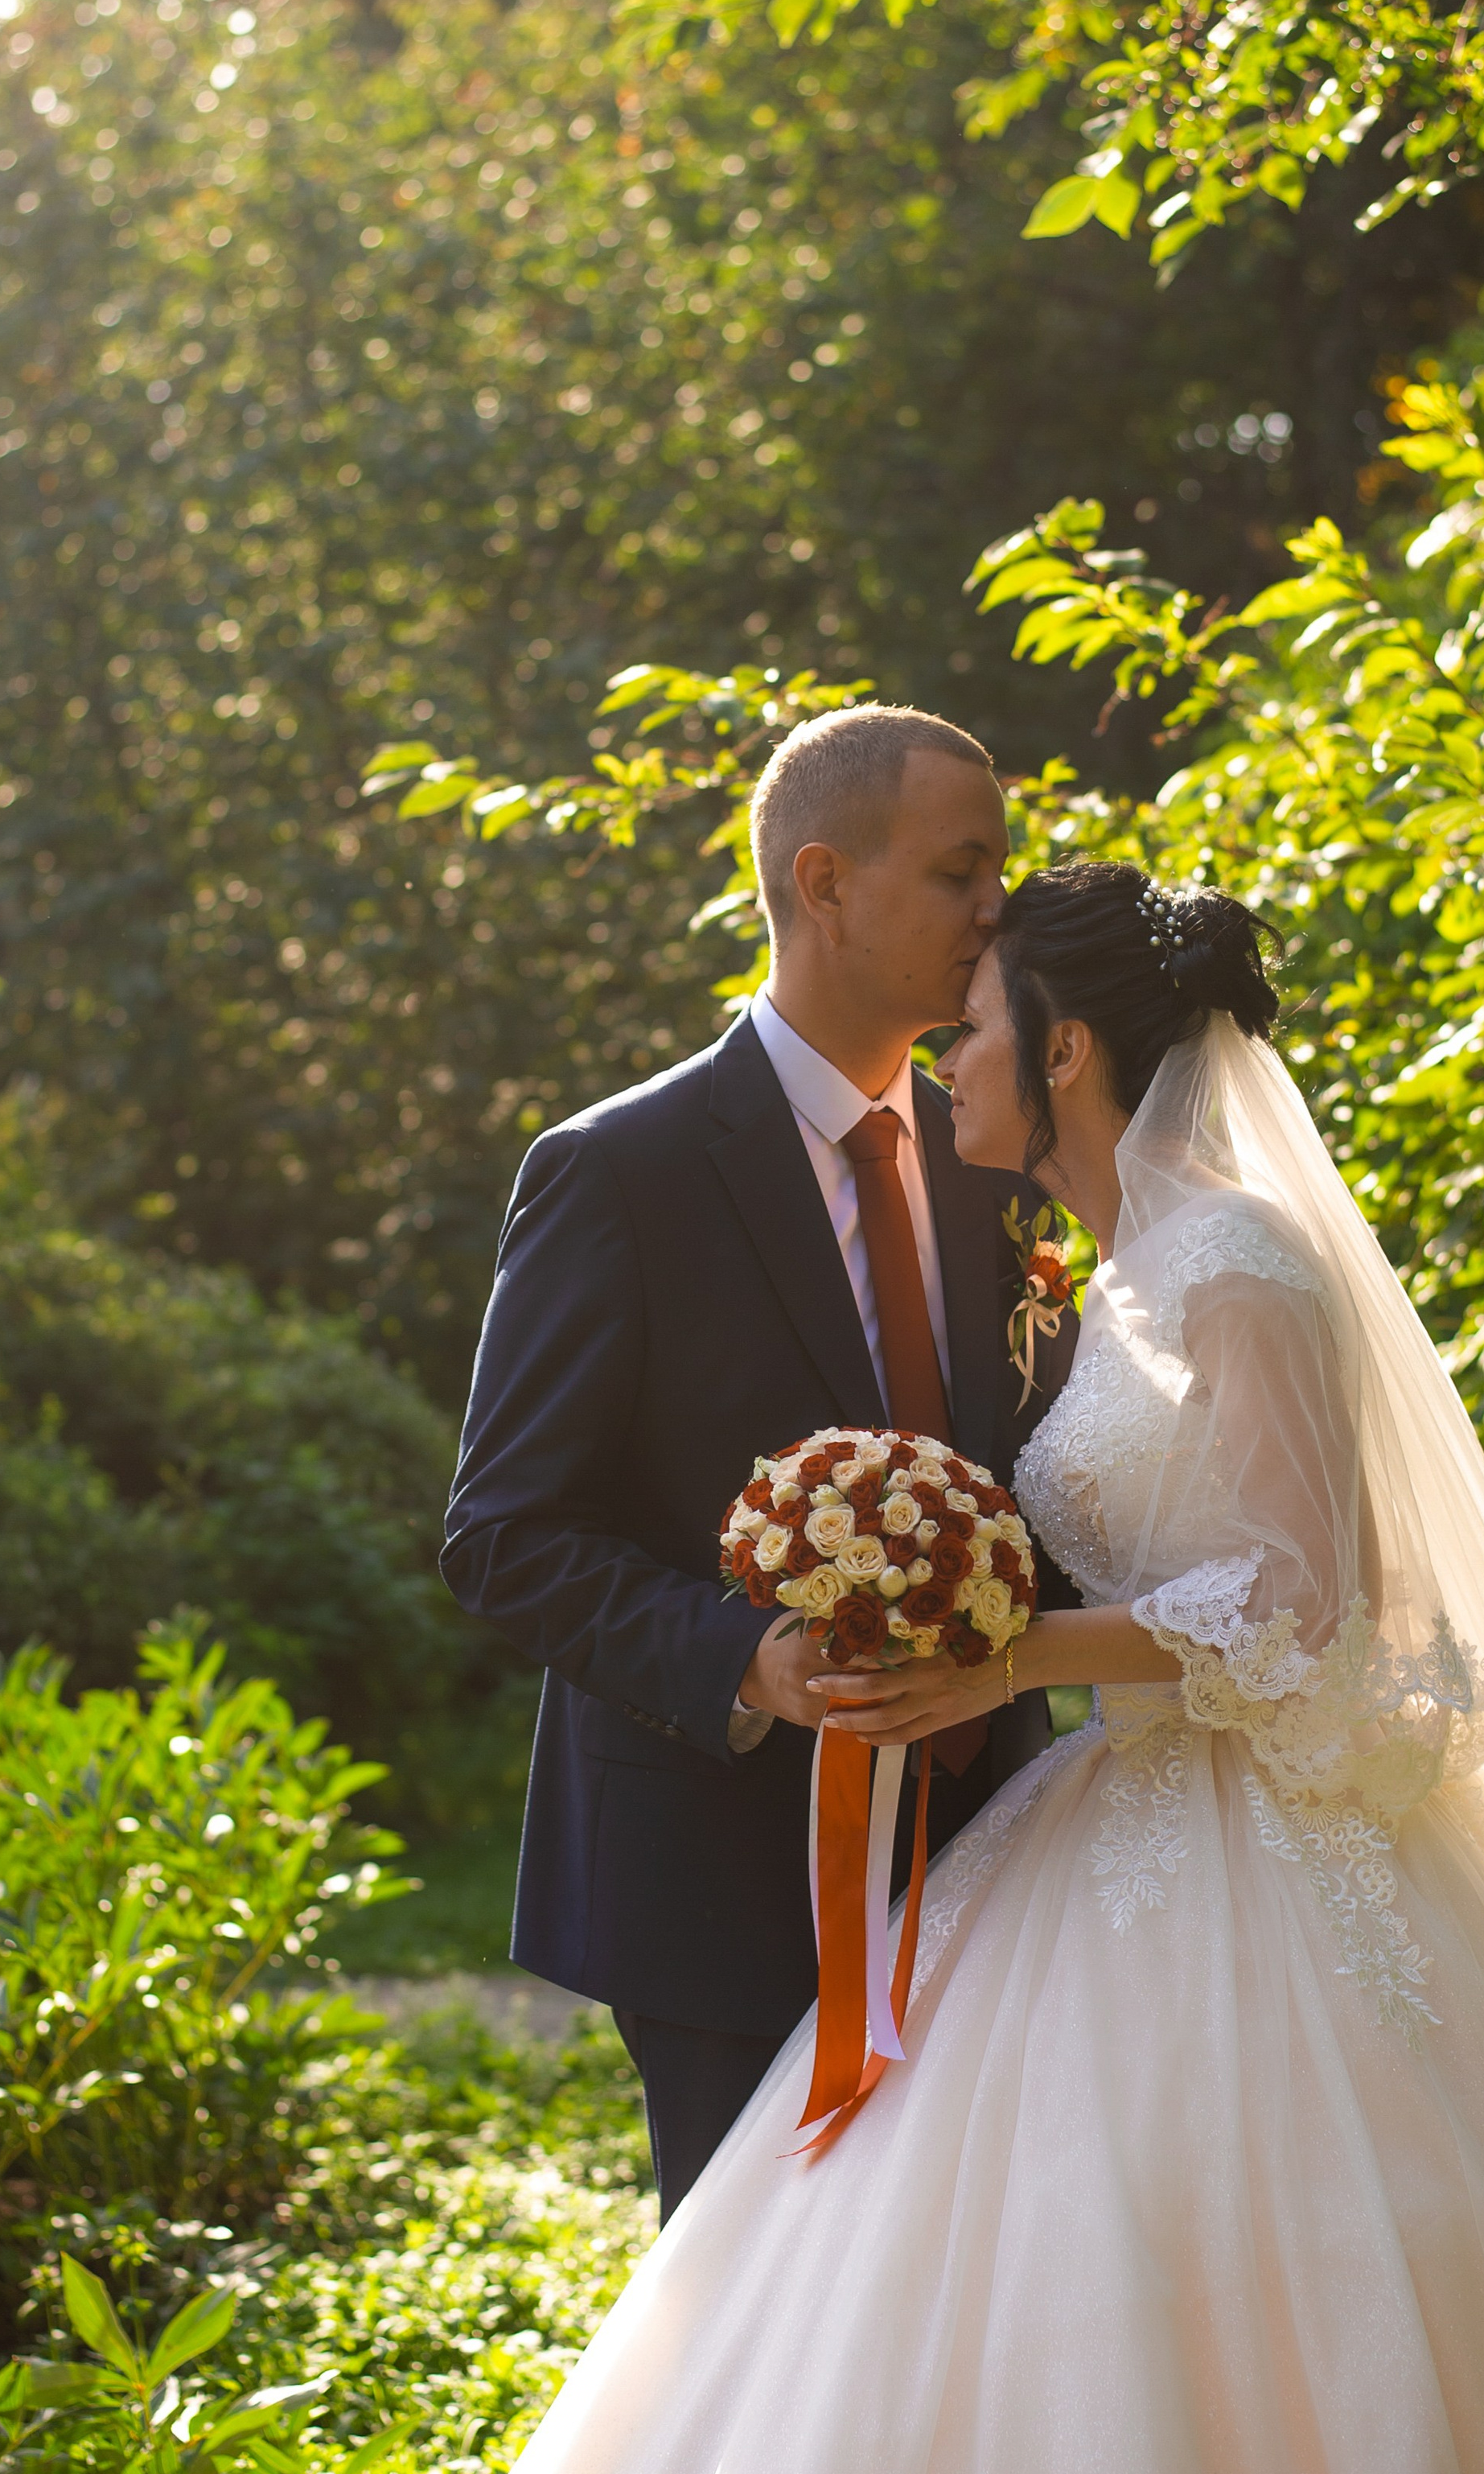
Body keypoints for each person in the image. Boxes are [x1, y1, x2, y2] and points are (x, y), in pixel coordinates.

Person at [424, 858, 1484, 2474]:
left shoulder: (1232, 1261)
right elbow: (511, 1523)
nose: (948, 1043)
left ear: (1061, 1054)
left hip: (1225, 1841)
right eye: (956, 896)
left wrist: (996, 1652)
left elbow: (1297, 1606)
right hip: (1043, 1812)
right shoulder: (1095, 1261)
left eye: (979, 1012)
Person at [441, 706, 1073, 2217]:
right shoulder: (620, 1170)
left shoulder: (999, 1159)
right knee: (755, 2341)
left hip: (1000, 1850)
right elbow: (505, 1530)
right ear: (825, 881)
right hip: (719, 1877)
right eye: (961, 871)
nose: (998, 912)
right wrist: (752, 1664)